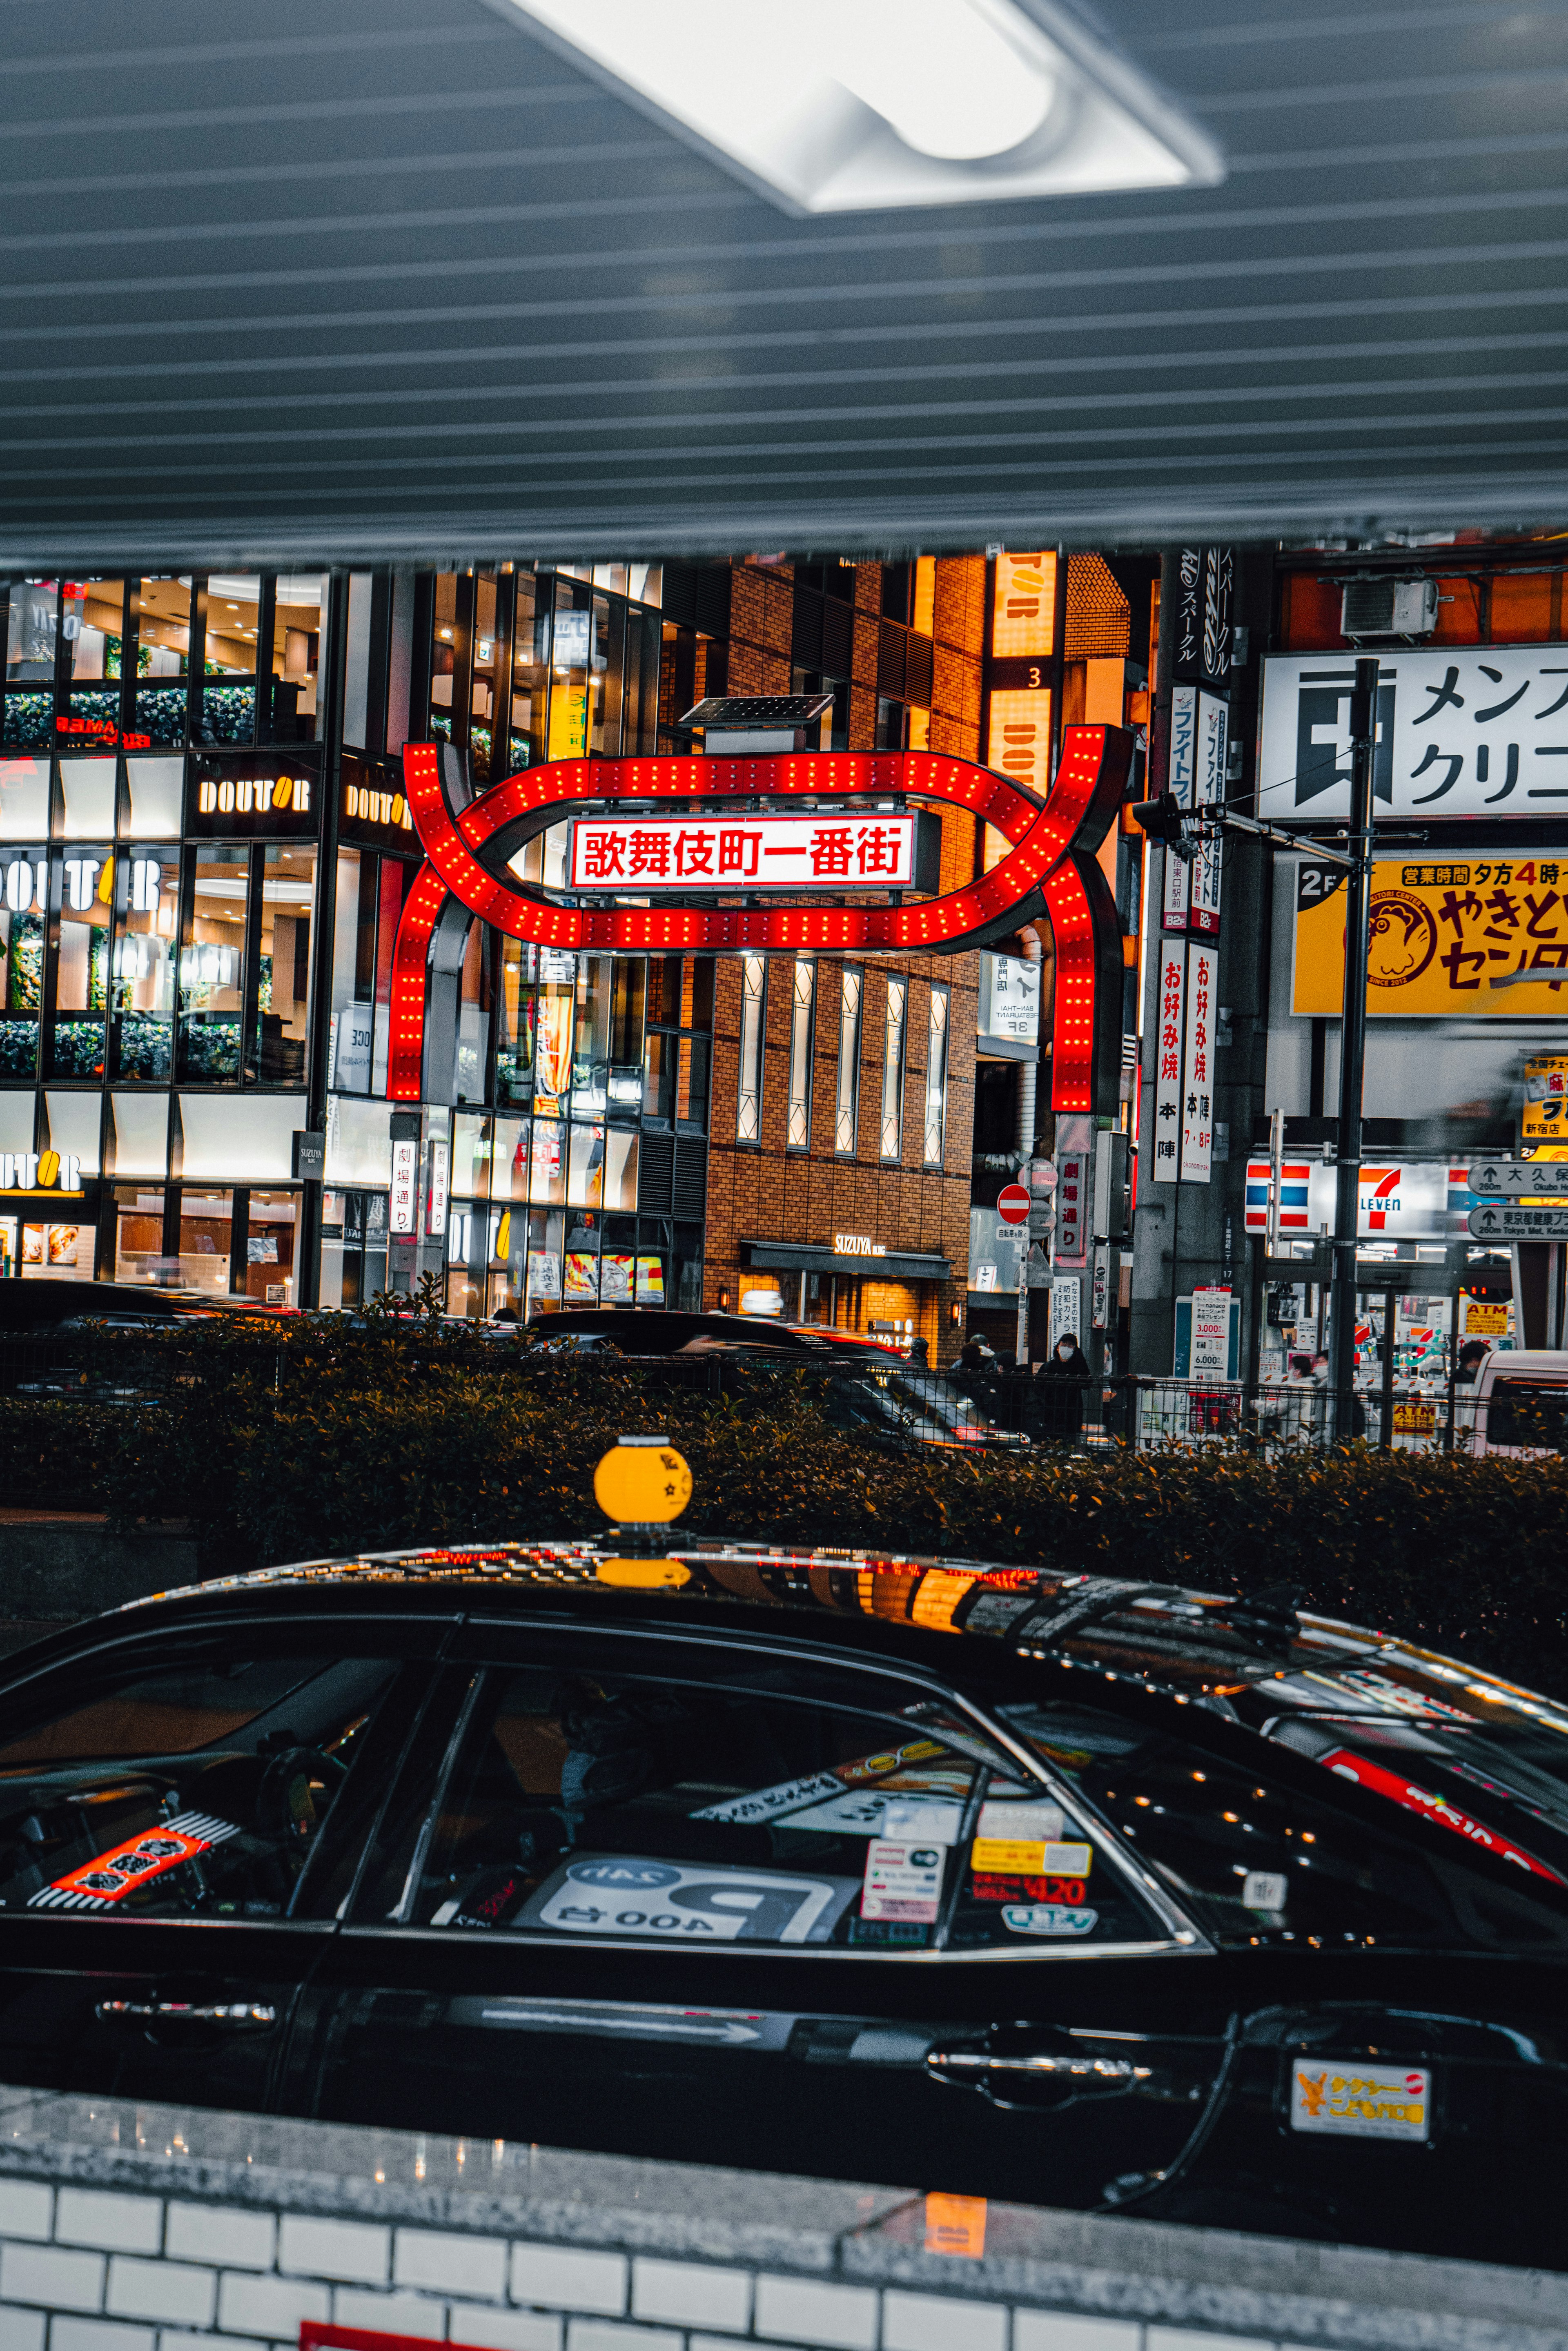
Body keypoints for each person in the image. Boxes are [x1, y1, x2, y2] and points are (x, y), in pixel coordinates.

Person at [1038, 1332, 1091, 1444]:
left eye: (1071, 1345)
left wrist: (1080, 1359)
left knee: (1068, 1445)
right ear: (1058, 1347)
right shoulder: (1048, 1367)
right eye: (1064, 1344)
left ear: (1075, 1349)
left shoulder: (1078, 1367)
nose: (1067, 1347)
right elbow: (1038, 1388)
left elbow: (1087, 1383)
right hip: (1051, 1414)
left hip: (1071, 1415)